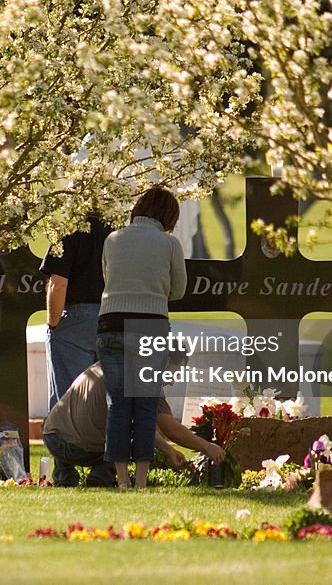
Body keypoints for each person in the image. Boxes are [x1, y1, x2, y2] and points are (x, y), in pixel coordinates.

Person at [98, 188, 187, 488]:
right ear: (168, 216)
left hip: (111, 324)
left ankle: (121, 479)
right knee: (146, 404)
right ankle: (141, 480)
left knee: (119, 404)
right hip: (150, 327)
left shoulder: (113, 240)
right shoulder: (169, 244)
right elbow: (178, 291)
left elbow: (107, 279)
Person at [41, 362, 223, 487]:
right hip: (81, 448)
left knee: (105, 422)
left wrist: (168, 450)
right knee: (123, 433)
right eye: (172, 373)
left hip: (52, 437)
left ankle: (65, 476)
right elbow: (171, 429)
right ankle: (101, 477)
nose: (172, 381)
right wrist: (208, 447)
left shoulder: (112, 362)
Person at [39, 213, 113, 410]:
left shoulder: (70, 228)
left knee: (70, 400)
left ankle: (68, 440)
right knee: (104, 401)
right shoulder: (118, 230)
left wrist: (53, 325)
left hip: (75, 320)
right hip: (111, 318)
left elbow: (58, 284)